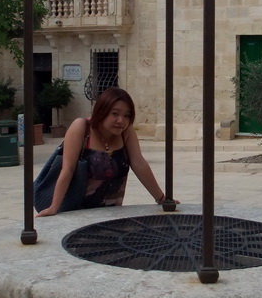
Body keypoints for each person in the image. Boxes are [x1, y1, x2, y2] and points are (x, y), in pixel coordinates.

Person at [35, 87, 169, 216]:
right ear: (101, 111)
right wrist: (54, 207)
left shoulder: (126, 132)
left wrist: (161, 198)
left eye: (127, 115)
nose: (121, 121)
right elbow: (68, 169)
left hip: (112, 215)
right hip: (77, 212)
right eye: (115, 114)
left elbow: (139, 163)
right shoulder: (82, 127)